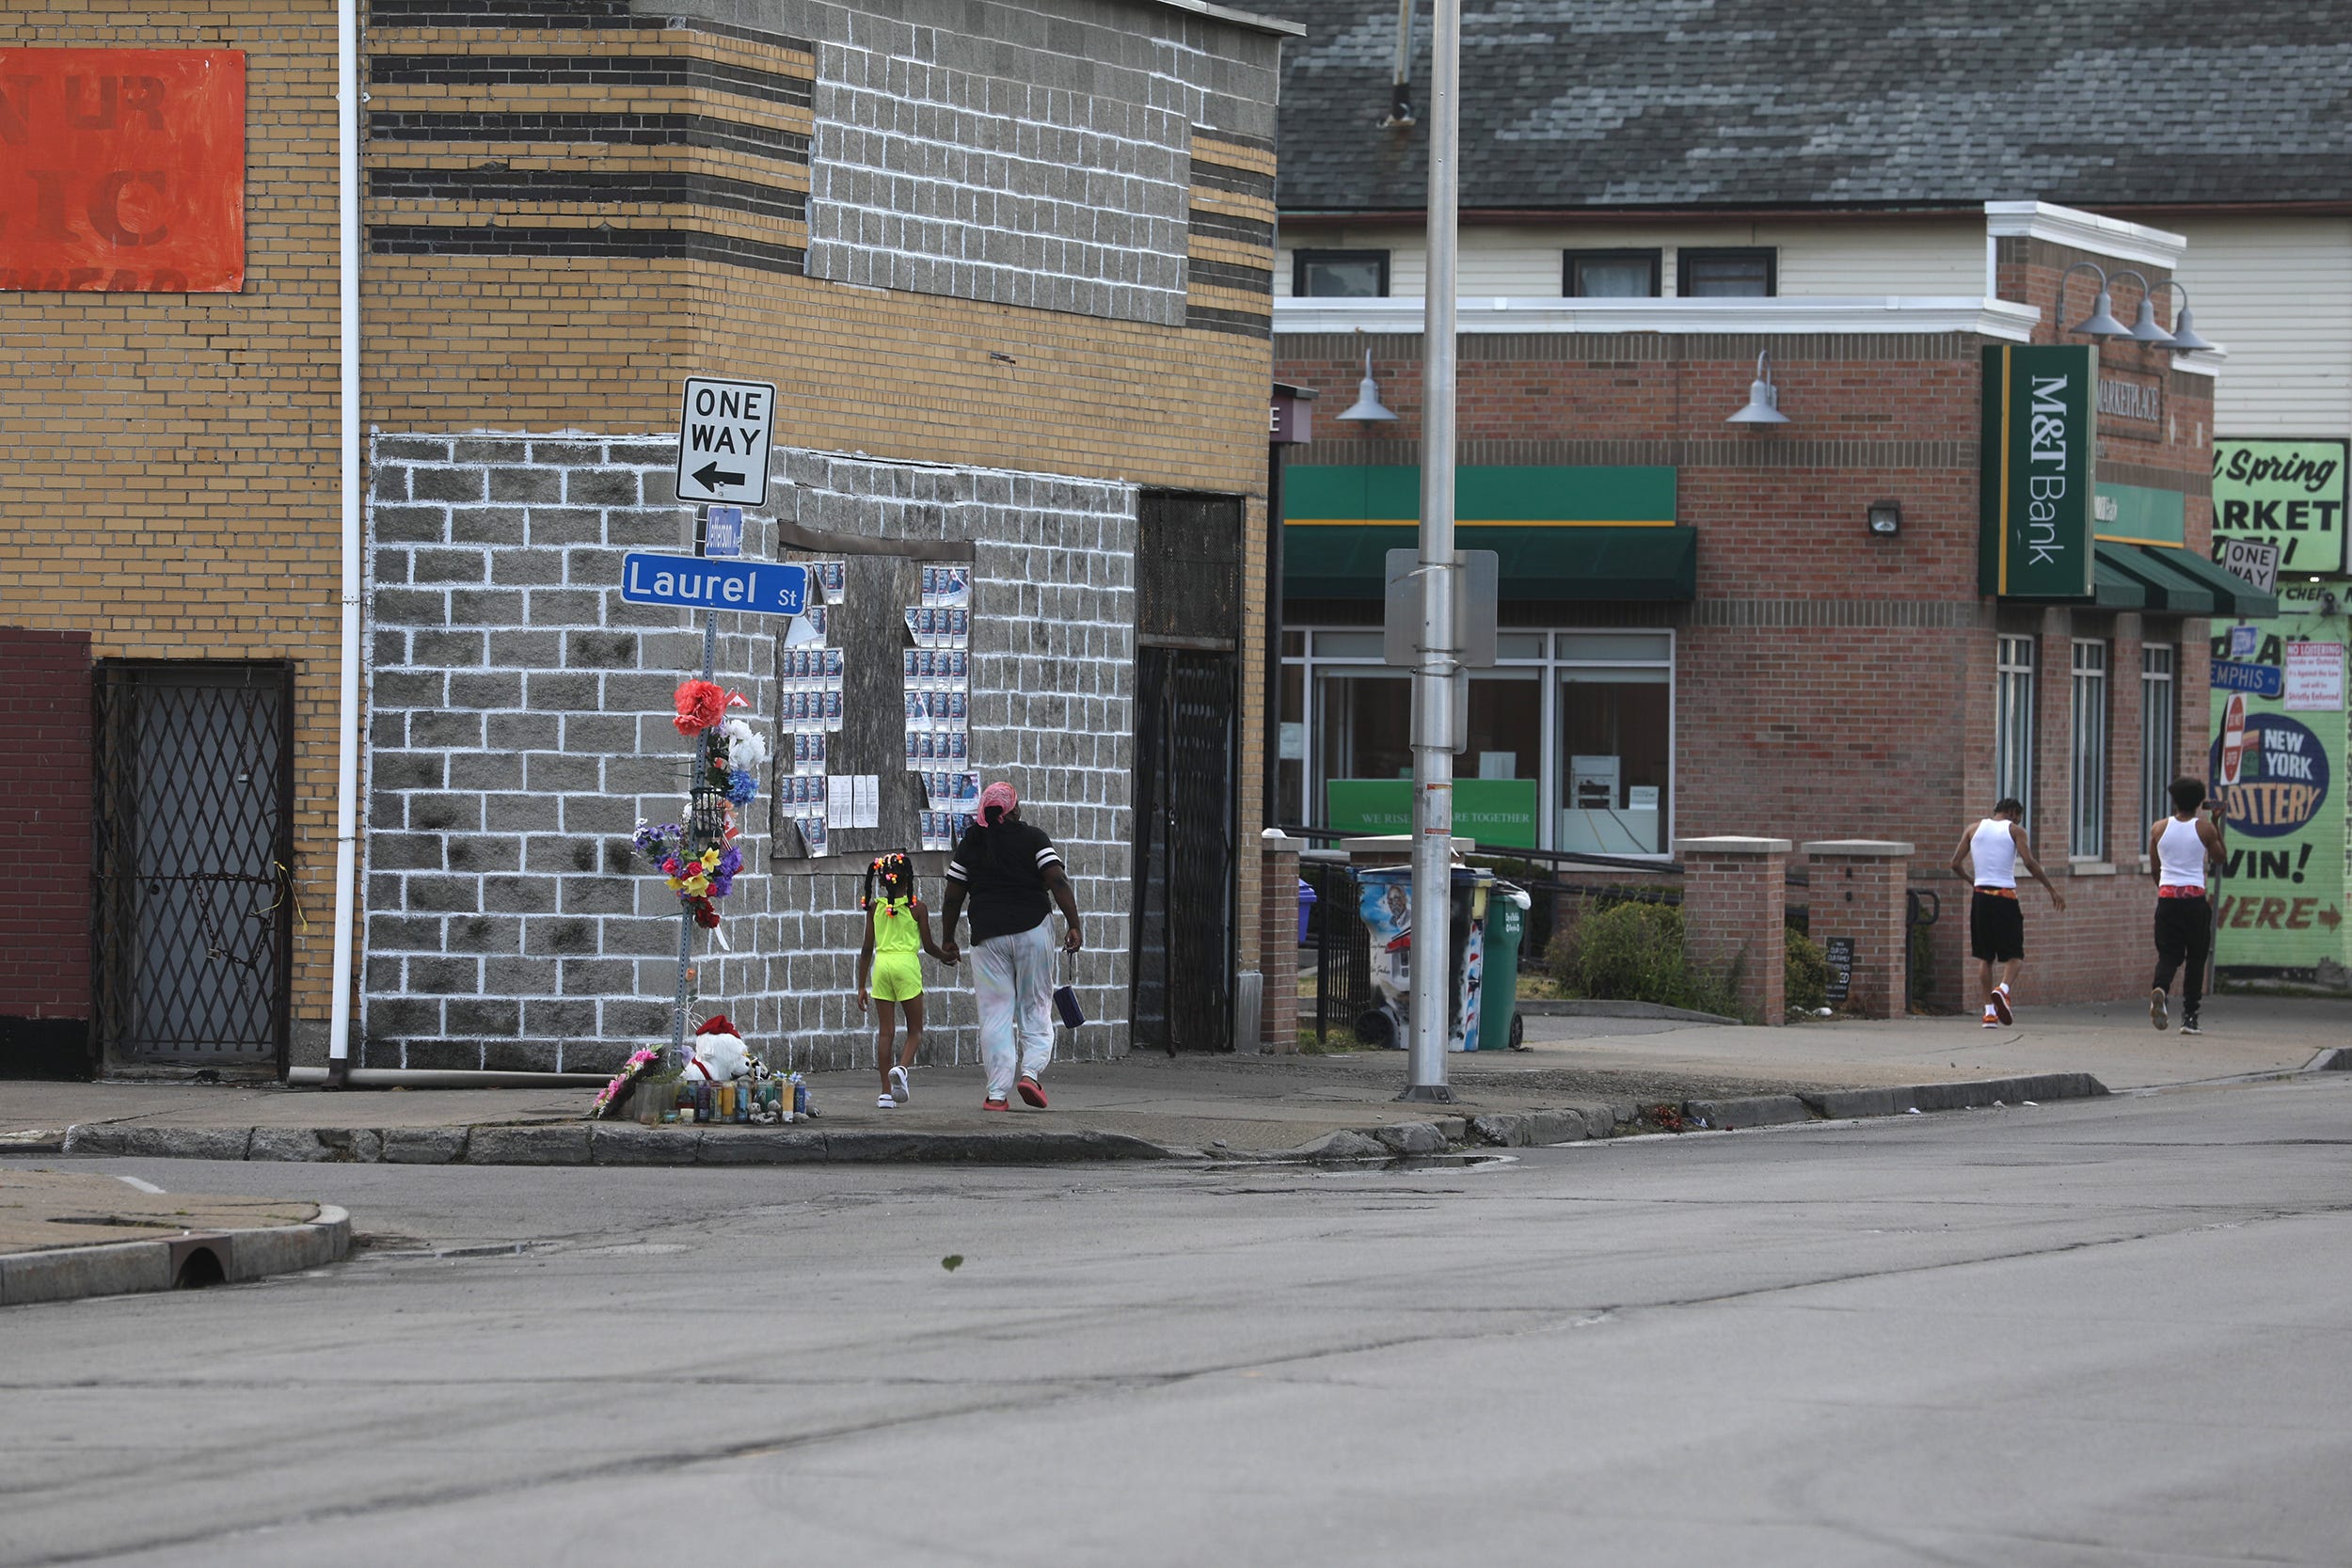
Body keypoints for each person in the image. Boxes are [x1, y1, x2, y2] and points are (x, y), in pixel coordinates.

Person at [937, 782, 1082, 1110]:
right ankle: (1030, 1074)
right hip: (1032, 931)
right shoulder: (1033, 838)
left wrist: (948, 938)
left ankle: (997, 1094)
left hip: (987, 938)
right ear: (1014, 809)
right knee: (1035, 1005)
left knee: (996, 1015)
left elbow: (952, 898)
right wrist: (1074, 924)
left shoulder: (971, 843)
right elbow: (1056, 880)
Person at [1949, 796, 2065, 1027]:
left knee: (1985, 957)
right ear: (2013, 812)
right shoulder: (2015, 831)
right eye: (2019, 816)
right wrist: (2052, 889)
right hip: (2004, 898)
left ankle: (1989, 1013)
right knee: (2015, 955)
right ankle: (2003, 989)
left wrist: (1973, 882)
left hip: (1980, 898)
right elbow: (2030, 863)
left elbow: (1954, 863)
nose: (2019, 820)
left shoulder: (1973, 829)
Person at [856, 851, 949, 1108]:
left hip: (882, 966)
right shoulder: (917, 908)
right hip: (906, 966)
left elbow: (866, 949)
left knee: (886, 1032)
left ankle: (886, 1093)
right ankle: (902, 1069)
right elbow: (929, 946)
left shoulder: (875, 908)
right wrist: (946, 956)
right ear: (908, 879)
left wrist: (861, 984)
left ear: (883, 882)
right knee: (915, 1030)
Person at [2147, 776, 2225, 1035]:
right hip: (2194, 901)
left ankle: (2160, 989)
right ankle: (2190, 1017)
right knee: (2196, 958)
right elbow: (2220, 858)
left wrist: (2164, 889)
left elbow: (2155, 868)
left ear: (2175, 800)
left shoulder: (2158, 828)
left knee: (2169, 955)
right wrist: (2215, 823)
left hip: (2167, 898)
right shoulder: (2204, 829)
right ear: (2199, 802)